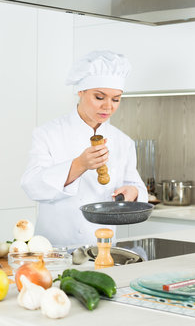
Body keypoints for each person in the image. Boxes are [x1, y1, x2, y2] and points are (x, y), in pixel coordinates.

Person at [21, 50, 147, 248]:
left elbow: (135, 185)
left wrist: (132, 191)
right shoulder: (48, 133)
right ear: (80, 91)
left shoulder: (123, 142)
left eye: (116, 99)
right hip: (54, 250)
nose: (108, 106)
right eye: (99, 97)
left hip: (104, 250)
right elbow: (32, 186)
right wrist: (78, 165)